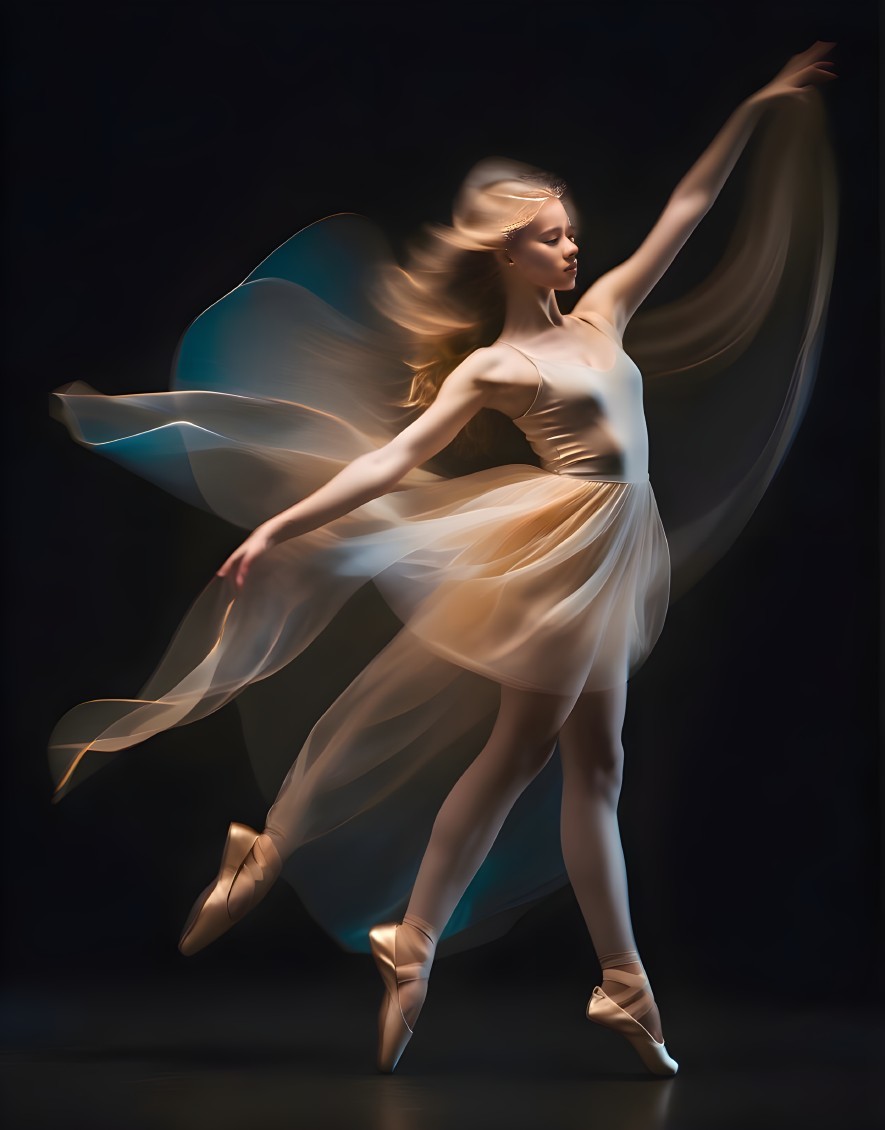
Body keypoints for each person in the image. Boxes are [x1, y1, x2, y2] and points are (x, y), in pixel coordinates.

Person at [47, 42, 838, 1077]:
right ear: (509, 256)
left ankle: (506, 958)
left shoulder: (602, 316)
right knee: (541, 762)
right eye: (552, 239)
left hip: (608, 552)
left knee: (573, 765)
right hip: (559, 559)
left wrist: (758, 107)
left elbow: (686, 209)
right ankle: (528, 957)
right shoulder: (496, 366)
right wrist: (277, 527)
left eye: (569, 234)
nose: (573, 248)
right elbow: (392, 459)